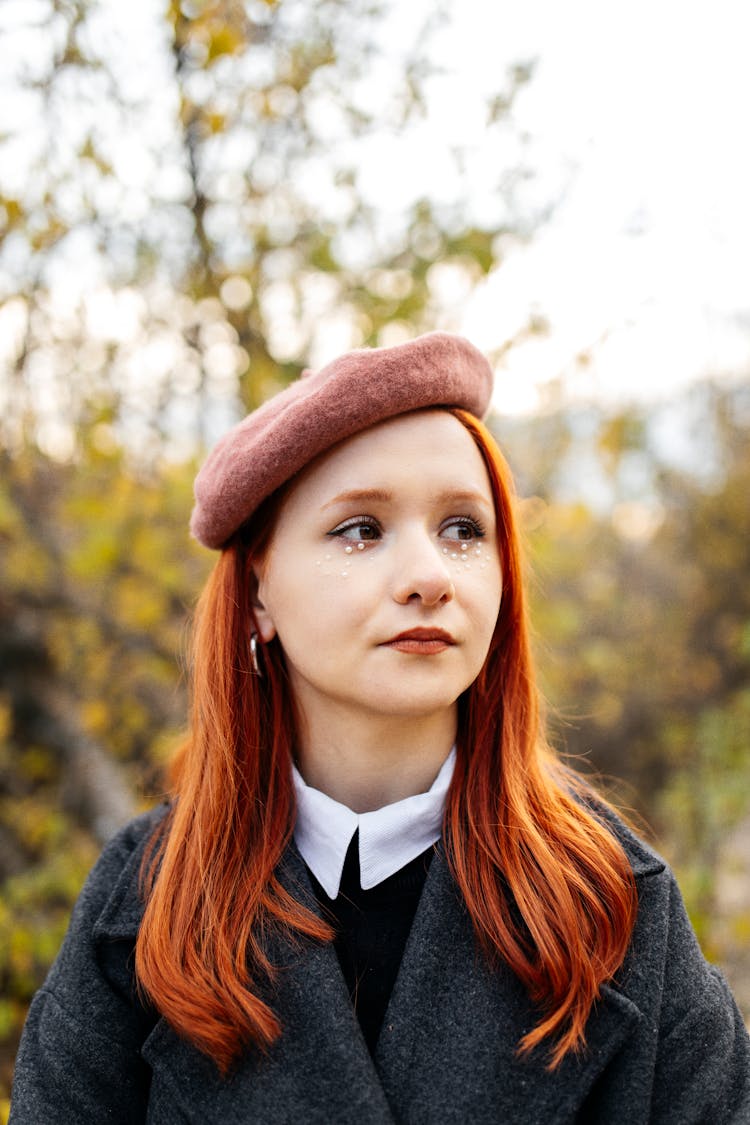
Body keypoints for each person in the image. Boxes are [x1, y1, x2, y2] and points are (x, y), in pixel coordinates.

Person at [9, 332, 750, 1123]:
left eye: (463, 529)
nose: (430, 576)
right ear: (259, 592)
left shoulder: (608, 902)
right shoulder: (148, 906)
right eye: (361, 528)